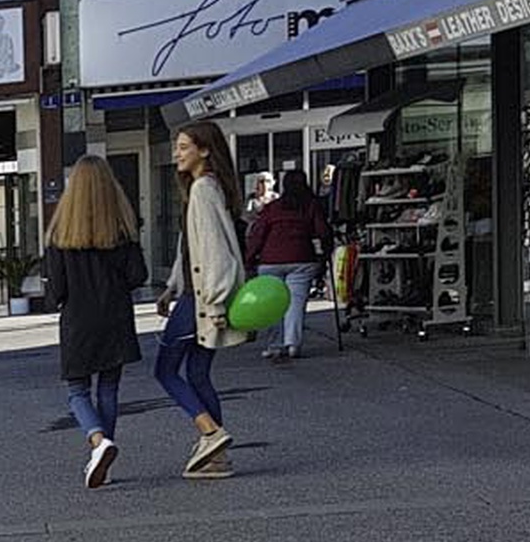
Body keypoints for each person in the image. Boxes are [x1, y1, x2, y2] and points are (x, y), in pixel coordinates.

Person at [42, 159, 150, 490]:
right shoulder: (122, 229)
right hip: (116, 316)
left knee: (77, 391)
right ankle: (105, 452)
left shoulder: (60, 232)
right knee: (109, 388)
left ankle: (98, 441)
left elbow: (56, 290)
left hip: (78, 319)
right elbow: (138, 276)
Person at [157, 120, 247, 478]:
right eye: (176, 147)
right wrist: (172, 285)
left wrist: (215, 300)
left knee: (164, 370)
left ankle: (211, 434)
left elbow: (214, 252)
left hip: (201, 299)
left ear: (205, 150)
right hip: (196, 294)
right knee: (197, 372)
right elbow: (191, 247)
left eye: (183, 147)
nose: (176, 154)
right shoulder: (208, 188)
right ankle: (217, 458)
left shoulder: (203, 191)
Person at [245, 164, 333, 362]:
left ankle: (275, 345)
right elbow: (323, 231)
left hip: (270, 260)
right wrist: (326, 252)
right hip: (302, 258)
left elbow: (258, 235)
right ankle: (292, 343)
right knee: (295, 302)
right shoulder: (311, 205)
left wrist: (250, 259)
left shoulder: (273, 208)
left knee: (273, 304)